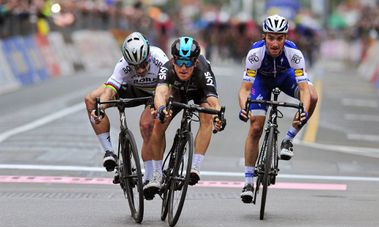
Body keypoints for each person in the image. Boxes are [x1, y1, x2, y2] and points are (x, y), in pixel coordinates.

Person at [238, 15, 318, 203]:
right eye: (271, 38)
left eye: (279, 38)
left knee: (313, 96)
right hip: (262, 82)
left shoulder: (294, 53)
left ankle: (289, 139)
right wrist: (244, 108)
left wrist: (303, 111)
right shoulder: (255, 53)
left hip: (285, 78)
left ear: (286, 38)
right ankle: (248, 181)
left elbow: (305, 90)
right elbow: (245, 89)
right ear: (264, 36)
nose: (275, 43)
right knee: (256, 127)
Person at [144, 36, 226, 198]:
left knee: (207, 115)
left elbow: (213, 100)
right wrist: (161, 109)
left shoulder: (203, 69)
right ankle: (157, 174)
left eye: (188, 63)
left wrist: (218, 115)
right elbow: (160, 92)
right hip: (176, 93)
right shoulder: (167, 68)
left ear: (195, 62)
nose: (183, 67)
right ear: (173, 60)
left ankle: (195, 166)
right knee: (158, 122)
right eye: (179, 61)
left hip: (199, 92)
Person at [84, 31, 169, 184]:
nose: (141, 70)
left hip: (154, 93)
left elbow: (167, 90)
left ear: (148, 55)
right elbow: (110, 89)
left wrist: (160, 107)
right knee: (91, 100)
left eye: (143, 64)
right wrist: (100, 109)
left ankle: (150, 176)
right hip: (131, 89)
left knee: (146, 125)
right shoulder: (122, 64)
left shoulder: (160, 58)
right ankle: (109, 152)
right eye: (135, 67)